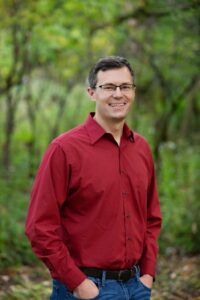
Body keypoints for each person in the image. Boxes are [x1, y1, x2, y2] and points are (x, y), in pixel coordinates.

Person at [25, 56, 162, 300]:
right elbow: (39, 227)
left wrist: (148, 273)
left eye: (125, 87)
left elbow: (151, 217)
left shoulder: (141, 148)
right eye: (108, 87)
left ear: (133, 91)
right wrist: (78, 284)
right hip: (86, 289)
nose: (118, 94)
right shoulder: (64, 150)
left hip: (137, 286)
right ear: (91, 92)